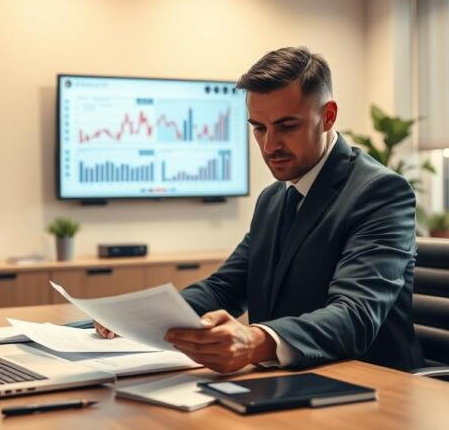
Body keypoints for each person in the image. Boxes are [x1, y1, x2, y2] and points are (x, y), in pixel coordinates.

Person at [96, 47, 424, 373]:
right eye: (259, 128)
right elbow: (225, 287)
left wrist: (255, 341)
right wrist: (137, 318)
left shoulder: (380, 193)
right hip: (286, 382)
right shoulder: (274, 198)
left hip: (368, 387)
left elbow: (355, 315)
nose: (269, 146)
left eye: (287, 126)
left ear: (328, 116)